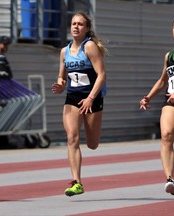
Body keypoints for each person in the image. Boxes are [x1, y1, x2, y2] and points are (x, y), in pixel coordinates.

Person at [52, 11, 107, 197]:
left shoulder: (89, 47)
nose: (76, 26)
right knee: (72, 138)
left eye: (80, 24)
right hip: (73, 99)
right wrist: (60, 84)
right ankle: (77, 182)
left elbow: (102, 74)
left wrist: (91, 97)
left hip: (91, 99)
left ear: (87, 28)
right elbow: (62, 76)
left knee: (92, 144)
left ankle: (93, 137)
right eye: (74, 23)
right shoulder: (64, 51)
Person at [140, 18, 174, 196]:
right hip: (171, 101)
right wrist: (148, 97)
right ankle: (170, 179)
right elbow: (163, 80)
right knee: (166, 135)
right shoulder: (169, 56)